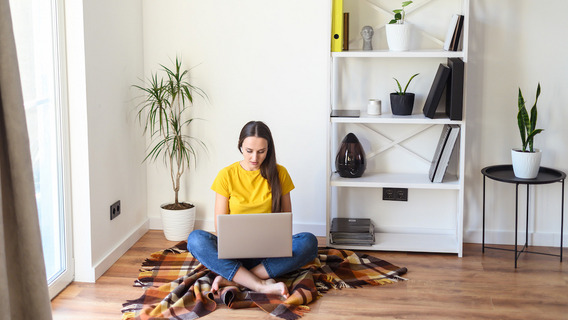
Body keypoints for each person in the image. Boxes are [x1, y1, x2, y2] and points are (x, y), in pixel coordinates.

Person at [187, 121, 318, 298]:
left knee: (309, 242)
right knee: (196, 239)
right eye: (249, 151)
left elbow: (286, 223)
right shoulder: (226, 175)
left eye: (261, 151)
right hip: (234, 253)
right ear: (240, 145)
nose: (255, 157)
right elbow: (220, 227)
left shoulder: (280, 174)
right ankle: (260, 284)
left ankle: (236, 278)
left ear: (268, 149)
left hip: (268, 254)